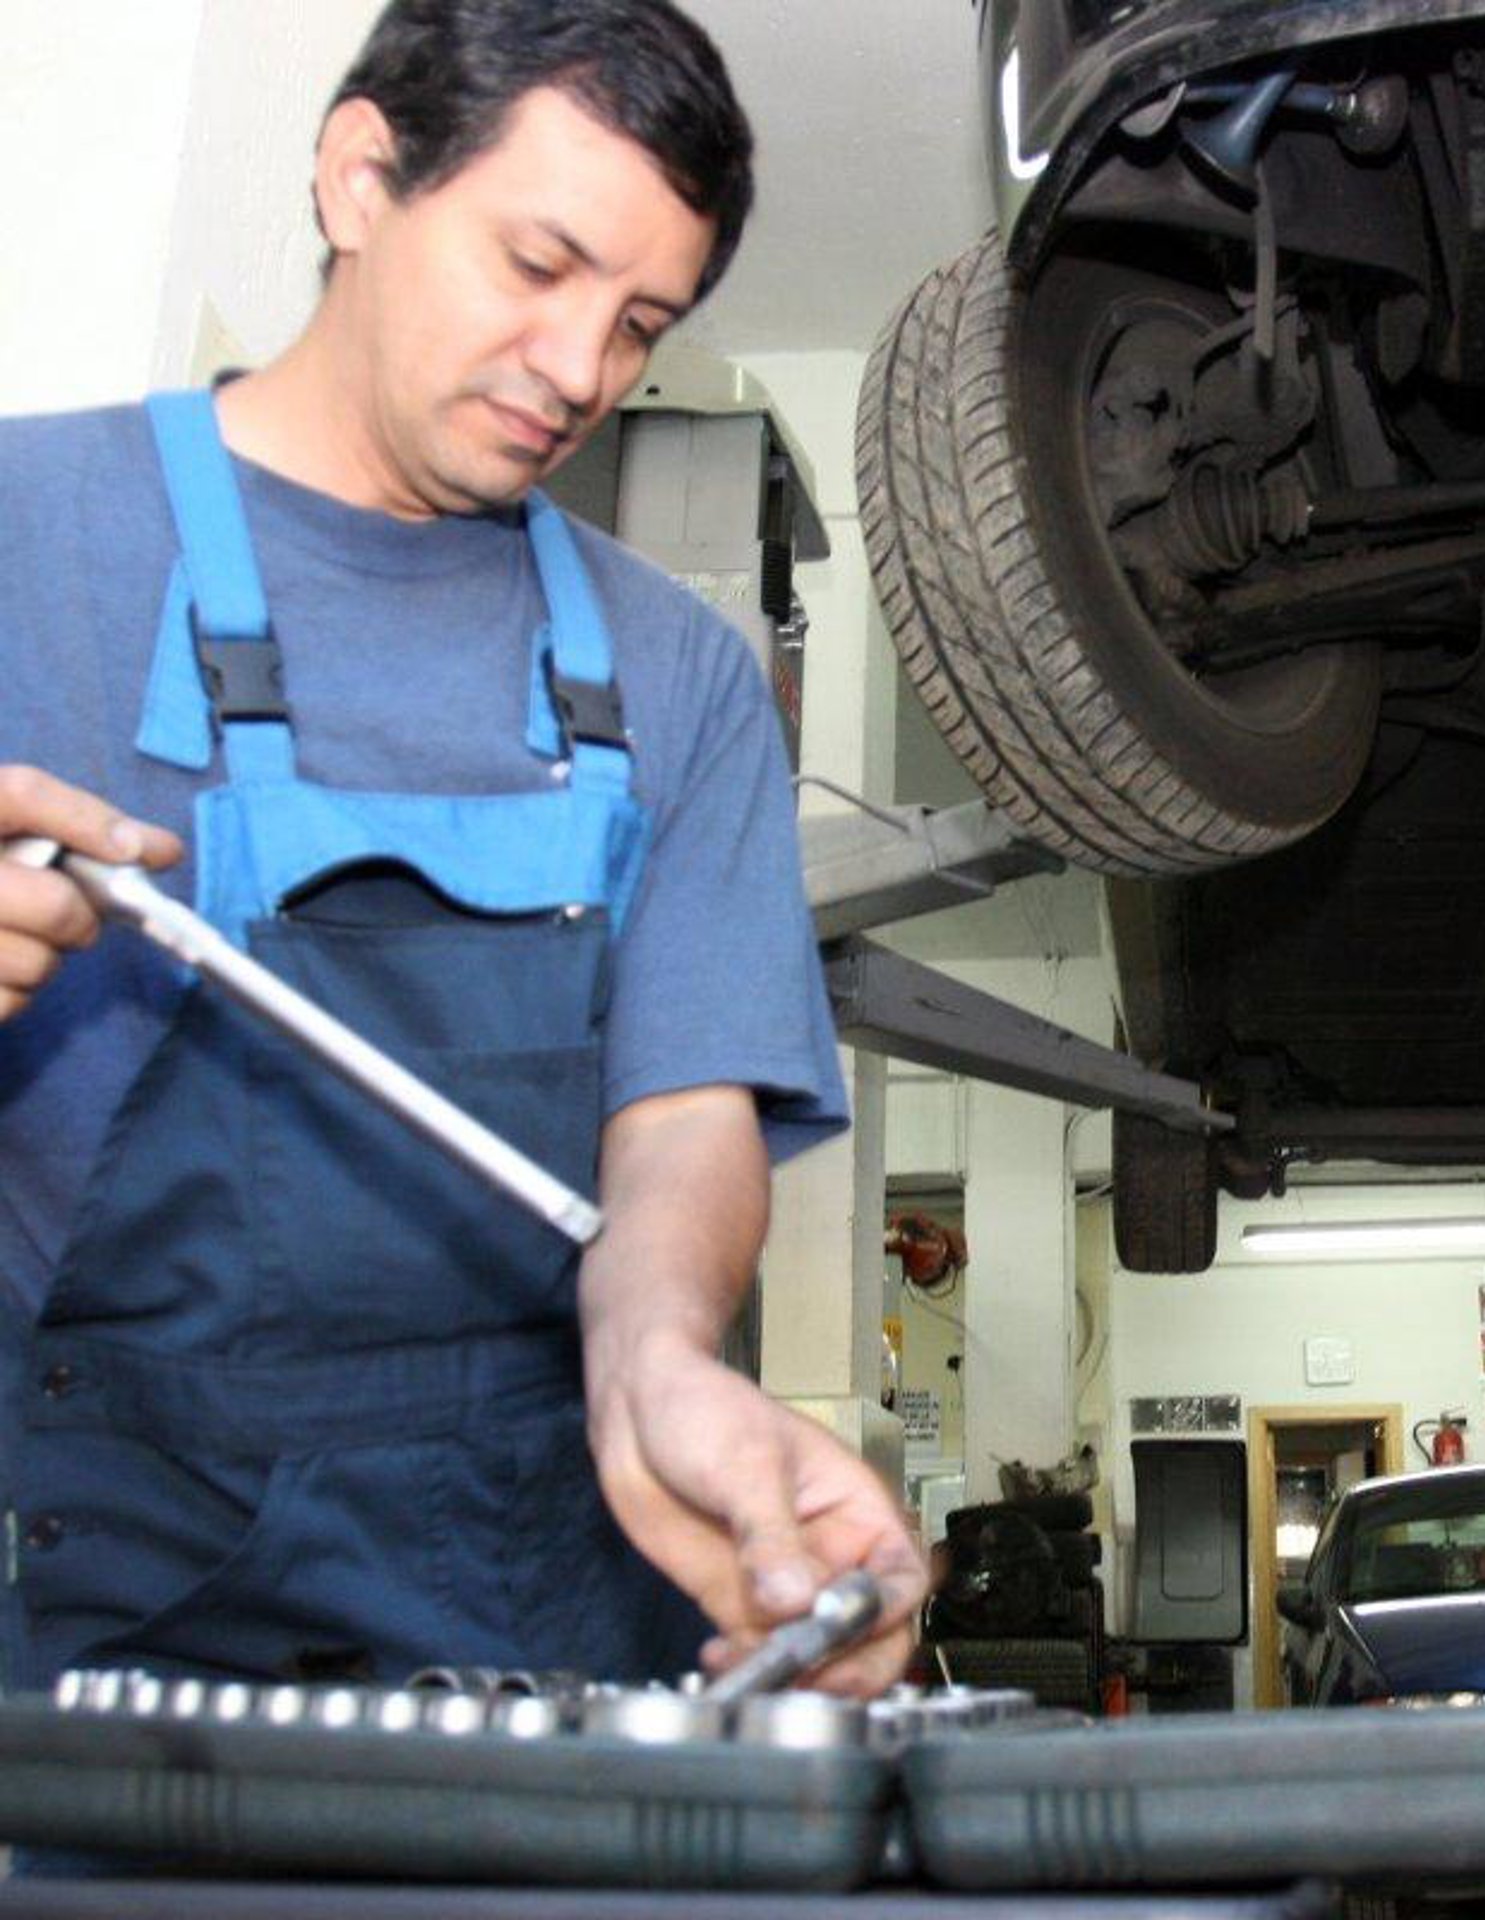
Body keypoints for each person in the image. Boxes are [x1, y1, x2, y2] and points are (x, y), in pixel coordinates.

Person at [0, 0, 924, 1702]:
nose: (579, 371)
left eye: (638, 323)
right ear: (361, 177)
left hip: (525, 1611)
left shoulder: (681, 677)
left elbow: (683, 1123)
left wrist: (661, 1367)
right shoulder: (26, 534)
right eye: (538, 265)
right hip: (83, 1629)